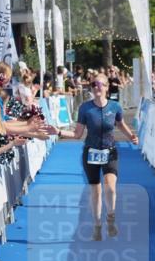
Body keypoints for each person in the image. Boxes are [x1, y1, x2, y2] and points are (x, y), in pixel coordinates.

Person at [57, 72, 138, 241]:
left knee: (110, 185)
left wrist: (131, 136)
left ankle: (111, 218)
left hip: (110, 151)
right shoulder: (85, 108)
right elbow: (77, 134)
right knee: (95, 190)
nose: (97, 87)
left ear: (107, 88)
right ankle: (97, 225)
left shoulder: (115, 107)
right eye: (94, 85)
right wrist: (58, 131)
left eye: (101, 84)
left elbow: (121, 124)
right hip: (91, 152)